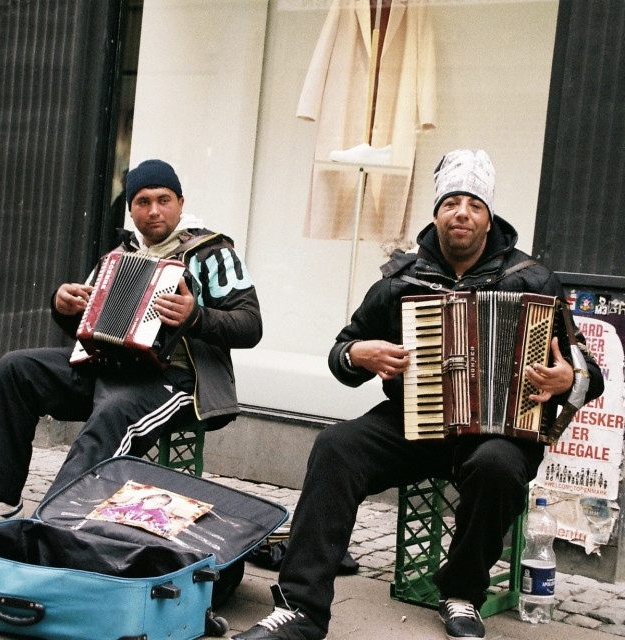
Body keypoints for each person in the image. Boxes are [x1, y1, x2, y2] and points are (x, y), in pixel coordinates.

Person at [233, 149, 604, 640]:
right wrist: (359, 354)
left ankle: (461, 593)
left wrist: (565, 380)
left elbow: (587, 374)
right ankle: (302, 608)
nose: (462, 213)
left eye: (474, 203)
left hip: (499, 431)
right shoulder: (400, 281)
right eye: (452, 202)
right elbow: (341, 354)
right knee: (335, 448)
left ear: (489, 216)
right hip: (414, 419)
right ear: (436, 214)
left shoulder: (531, 280)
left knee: (496, 466)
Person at [0, 159, 262, 521]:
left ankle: (54, 521)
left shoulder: (212, 253)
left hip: (174, 380)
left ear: (181, 202)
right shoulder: (117, 256)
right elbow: (92, 330)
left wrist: (195, 316)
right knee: (15, 368)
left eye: (164, 200)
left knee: (114, 411)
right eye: (142, 202)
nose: (154, 211)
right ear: (131, 210)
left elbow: (250, 325)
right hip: (107, 367)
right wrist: (64, 307)